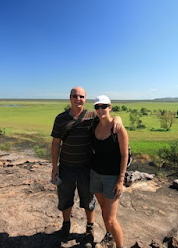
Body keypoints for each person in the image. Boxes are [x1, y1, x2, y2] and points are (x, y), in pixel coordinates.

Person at [50, 87, 122, 245]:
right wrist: (54, 167)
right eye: (75, 96)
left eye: (81, 96)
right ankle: (66, 225)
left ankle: (89, 229)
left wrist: (118, 118)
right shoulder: (61, 118)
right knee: (65, 199)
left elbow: (107, 120)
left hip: (87, 168)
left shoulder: (92, 116)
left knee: (88, 201)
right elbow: (56, 143)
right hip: (66, 167)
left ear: (85, 98)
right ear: (70, 97)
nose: (78, 99)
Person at [90, 95, 128, 248]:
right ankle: (108, 236)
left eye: (103, 106)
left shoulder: (117, 128)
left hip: (112, 177)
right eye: (97, 107)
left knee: (111, 219)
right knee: (104, 209)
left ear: (110, 107)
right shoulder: (94, 125)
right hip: (95, 174)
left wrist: (121, 179)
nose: (100, 109)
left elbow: (124, 154)